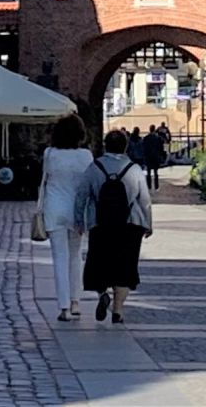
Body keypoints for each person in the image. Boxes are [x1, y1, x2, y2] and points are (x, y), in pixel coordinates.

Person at [81, 129, 152, 325]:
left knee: (100, 264)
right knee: (126, 267)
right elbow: (144, 200)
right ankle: (118, 310)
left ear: (105, 145)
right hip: (130, 224)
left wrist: (81, 221)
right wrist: (148, 223)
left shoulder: (94, 167)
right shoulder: (134, 168)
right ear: (125, 146)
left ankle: (103, 293)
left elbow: (82, 196)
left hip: (100, 223)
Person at [39, 115, 92, 322]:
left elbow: (44, 181)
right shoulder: (86, 156)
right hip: (76, 211)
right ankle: (75, 301)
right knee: (75, 256)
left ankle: (63, 307)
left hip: (54, 209)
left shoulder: (50, 154)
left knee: (59, 258)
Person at [141, 124, 166, 191]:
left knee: (148, 172)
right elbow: (161, 148)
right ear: (154, 129)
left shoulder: (146, 138)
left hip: (148, 157)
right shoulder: (157, 138)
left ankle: (149, 186)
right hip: (155, 156)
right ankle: (156, 186)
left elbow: (143, 147)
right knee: (156, 172)